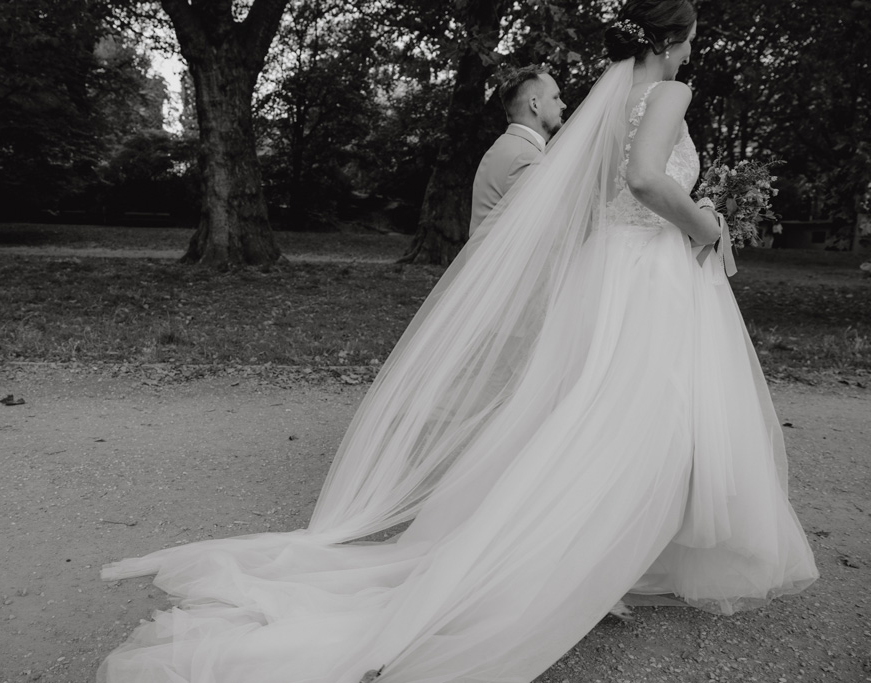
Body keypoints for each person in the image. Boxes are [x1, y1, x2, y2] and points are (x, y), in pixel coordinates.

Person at [97, 2, 818, 681]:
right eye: (690, 37)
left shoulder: (603, 106)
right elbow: (644, 180)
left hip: (614, 267)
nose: (693, 50)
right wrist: (708, 226)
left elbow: (602, 195)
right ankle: (596, 556)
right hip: (651, 270)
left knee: (601, 411)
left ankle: (609, 548)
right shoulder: (668, 94)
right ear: (668, 40)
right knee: (645, 411)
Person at [469, 65, 567, 235]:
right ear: (534, 104)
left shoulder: (505, 146)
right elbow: (542, 235)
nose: (563, 105)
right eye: (556, 97)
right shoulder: (525, 158)